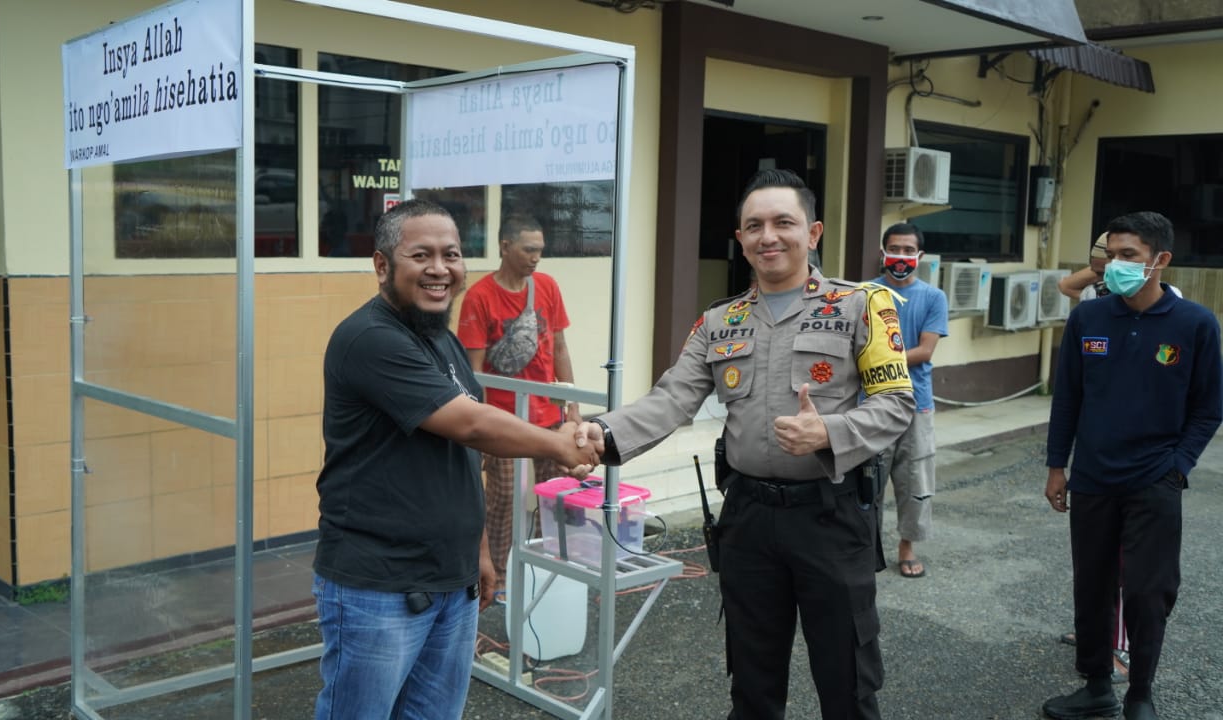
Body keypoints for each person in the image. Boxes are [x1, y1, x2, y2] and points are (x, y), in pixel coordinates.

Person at [578, 169, 915, 720]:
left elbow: (896, 403)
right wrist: (605, 433)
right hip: (748, 520)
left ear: (813, 232)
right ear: (740, 239)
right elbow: (672, 398)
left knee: (847, 680)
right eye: (754, 226)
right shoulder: (720, 320)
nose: (768, 236)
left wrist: (829, 432)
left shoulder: (861, 305)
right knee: (752, 680)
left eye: (784, 222)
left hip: (830, 518)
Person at [310, 199, 598, 720]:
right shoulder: (369, 339)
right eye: (421, 255)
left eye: (452, 254)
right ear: (382, 266)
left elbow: (463, 451)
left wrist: (478, 550)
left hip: (452, 580)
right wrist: (559, 443)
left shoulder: (441, 340)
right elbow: (471, 424)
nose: (440, 268)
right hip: (380, 587)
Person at [1042, 211, 1222, 720]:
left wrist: (1177, 467)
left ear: (1160, 260)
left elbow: (1209, 407)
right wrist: (1057, 466)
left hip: (1154, 480)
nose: (1115, 265)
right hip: (1093, 478)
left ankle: (1140, 693)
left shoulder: (1195, 324)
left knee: (1148, 591)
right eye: (1111, 255)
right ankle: (1097, 685)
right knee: (1092, 587)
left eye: (1129, 256)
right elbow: (1067, 399)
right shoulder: (1089, 319)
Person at [457, 215, 582, 599]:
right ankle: (495, 577)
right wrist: (476, 428)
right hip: (503, 418)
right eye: (529, 249)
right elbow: (473, 372)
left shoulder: (547, 286)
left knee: (557, 493)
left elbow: (560, 348)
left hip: (548, 413)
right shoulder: (480, 297)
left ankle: (551, 570)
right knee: (504, 499)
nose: (536, 258)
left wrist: (572, 408)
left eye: (540, 250)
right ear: (505, 247)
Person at [873, 223, 948, 579]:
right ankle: (866, 546)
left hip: (915, 402)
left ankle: (907, 546)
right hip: (871, 402)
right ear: (882, 252)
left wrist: (877, 360)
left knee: (915, 480)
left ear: (919, 256)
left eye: (907, 250)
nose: (900, 257)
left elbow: (925, 350)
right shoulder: (866, 293)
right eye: (894, 249)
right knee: (868, 480)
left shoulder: (933, 298)